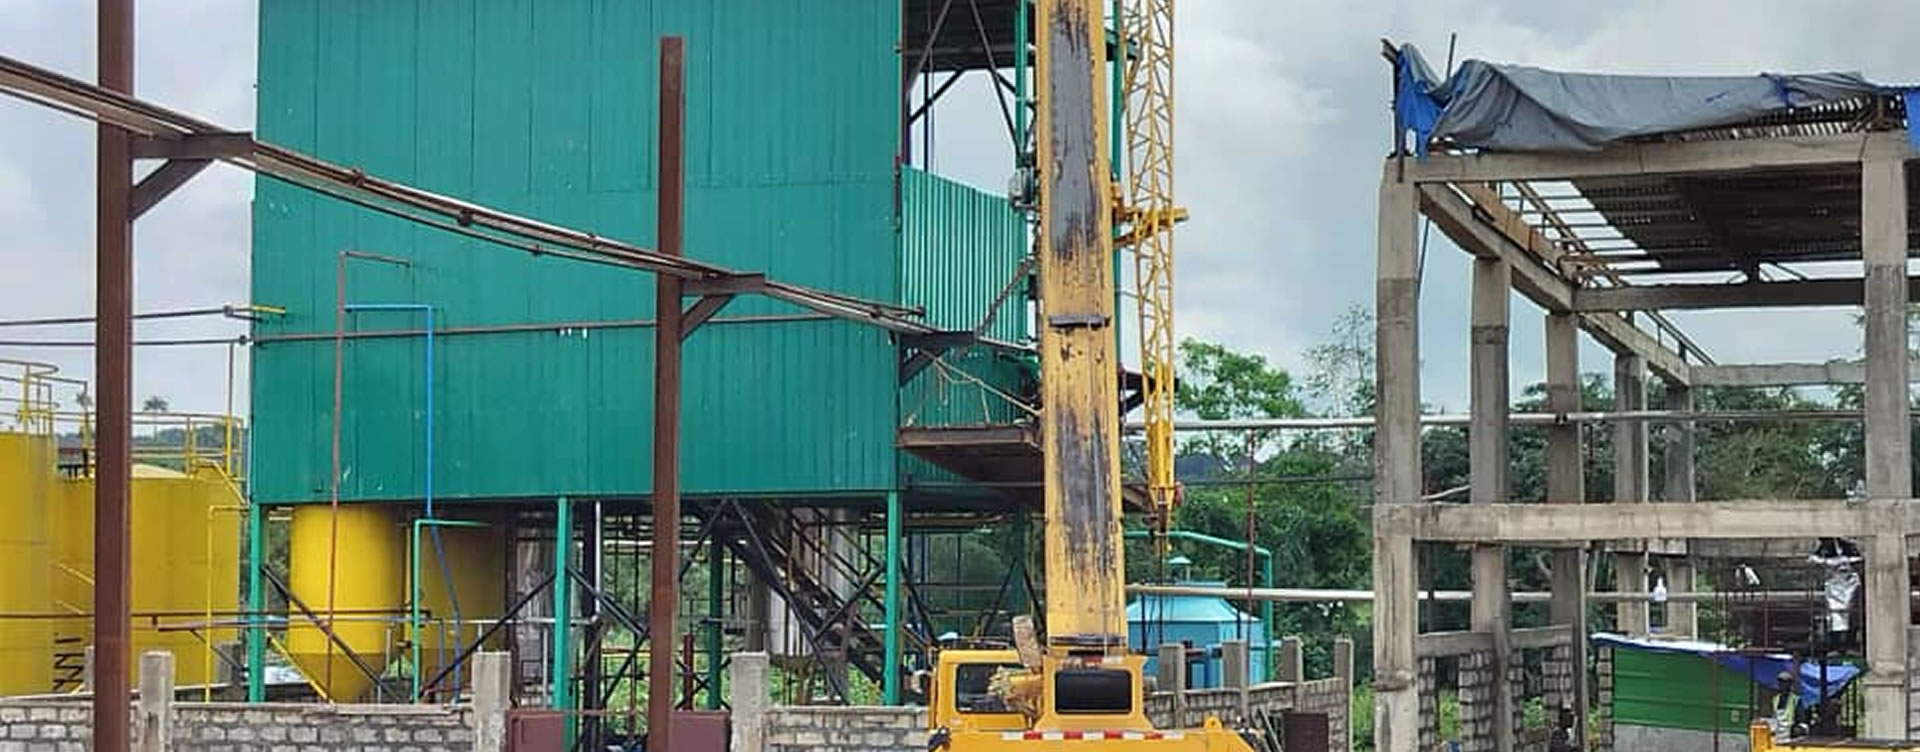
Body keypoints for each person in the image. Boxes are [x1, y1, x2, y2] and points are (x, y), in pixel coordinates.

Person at [1772, 669, 1801, 738]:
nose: (1783, 685)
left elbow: (1800, 720)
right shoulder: (1775, 699)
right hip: (1778, 733)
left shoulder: (1796, 700)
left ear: (1790, 684)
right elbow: (1773, 715)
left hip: (1790, 735)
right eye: (1781, 682)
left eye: (1786, 682)